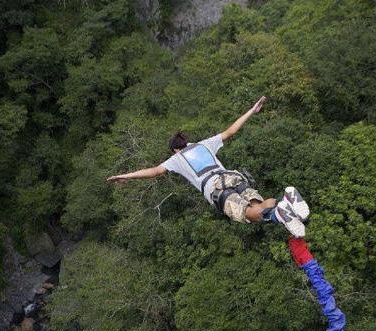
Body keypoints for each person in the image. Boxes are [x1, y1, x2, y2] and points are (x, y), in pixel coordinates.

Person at [106, 97, 309, 237]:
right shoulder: (204, 144)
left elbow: (154, 171)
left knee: (249, 215)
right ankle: (285, 201)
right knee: (260, 206)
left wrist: (127, 175)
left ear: (175, 150)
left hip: (214, 188)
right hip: (232, 176)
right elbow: (230, 131)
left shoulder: (177, 158)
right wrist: (251, 111)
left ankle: (280, 214)